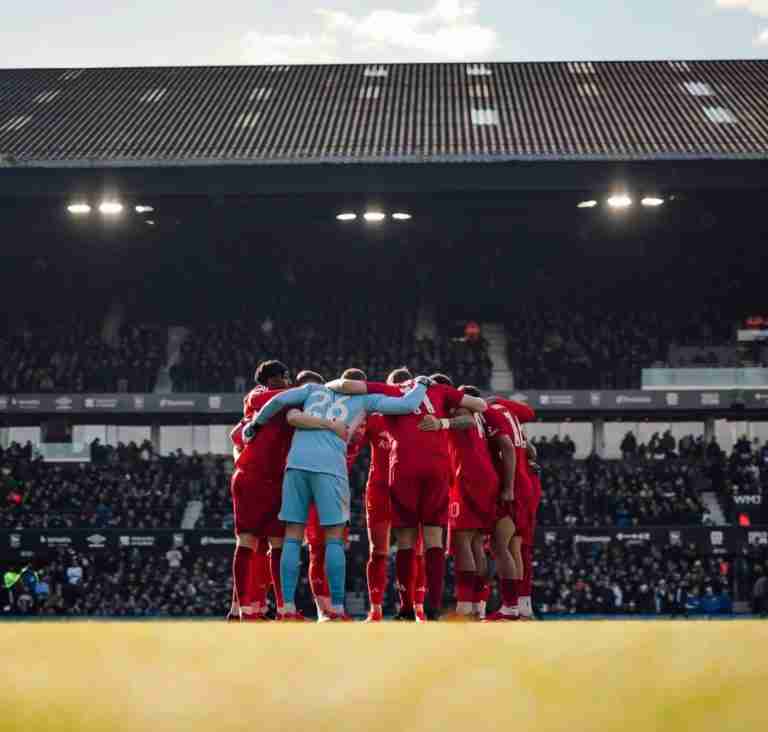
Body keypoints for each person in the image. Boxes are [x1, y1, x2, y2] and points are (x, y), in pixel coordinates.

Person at [243, 374, 431, 621]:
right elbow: (408, 405)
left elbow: (277, 402)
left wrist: (256, 424)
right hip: (330, 468)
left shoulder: (312, 389)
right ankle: (339, 609)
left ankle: (286, 608)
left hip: (296, 465)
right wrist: (423, 384)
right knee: (333, 539)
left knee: (292, 536)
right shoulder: (365, 399)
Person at [375, 368, 487, 621]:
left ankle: (405, 608)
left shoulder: (390, 392)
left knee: (405, 541)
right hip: (437, 469)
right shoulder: (439, 391)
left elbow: (354, 388)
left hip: (402, 467)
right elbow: (478, 406)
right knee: (434, 539)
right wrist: (443, 421)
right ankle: (432, 608)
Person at [419, 385, 498, 620]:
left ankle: (464, 606)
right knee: (476, 543)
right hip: (484, 478)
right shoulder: (483, 416)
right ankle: (478, 605)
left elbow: (467, 422)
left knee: (462, 539)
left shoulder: (463, 411)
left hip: (468, 478)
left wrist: (442, 423)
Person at [483, 398, 537, 621]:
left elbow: (506, 447)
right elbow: (530, 450)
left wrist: (506, 487)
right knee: (515, 546)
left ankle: (510, 607)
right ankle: (521, 607)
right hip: (525, 484)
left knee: (499, 545)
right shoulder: (509, 414)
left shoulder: (491, 414)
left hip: (513, 486)